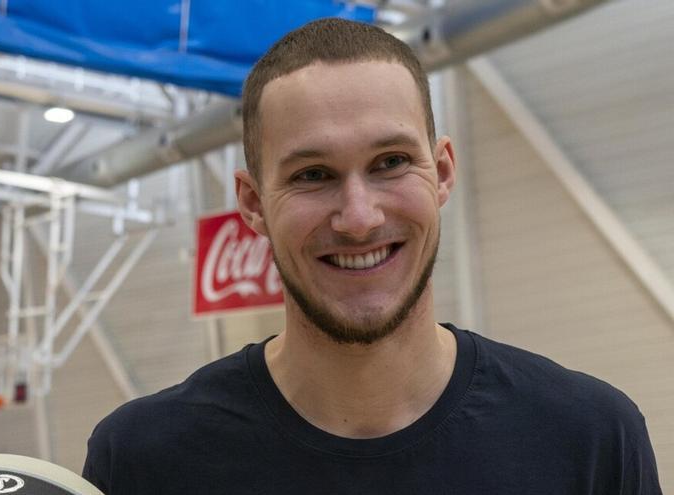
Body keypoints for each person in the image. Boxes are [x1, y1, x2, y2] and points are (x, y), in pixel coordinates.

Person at [82, 18, 661, 494]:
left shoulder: (589, 437)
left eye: (390, 162)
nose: (359, 217)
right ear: (253, 203)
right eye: (313, 174)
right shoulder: (141, 461)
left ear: (443, 172)